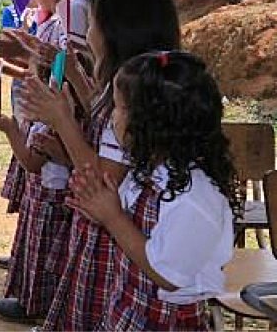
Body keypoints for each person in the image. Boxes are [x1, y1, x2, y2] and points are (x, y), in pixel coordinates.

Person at [17, 0, 183, 331]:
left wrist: (61, 120)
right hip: (125, 239)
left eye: (92, 23)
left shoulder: (134, 92)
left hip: (120, 244)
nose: (88, 33)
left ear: (114, 29)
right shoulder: (150, 77)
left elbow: (103, 177)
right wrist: (74, 74)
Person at [69, 51, 241, 330]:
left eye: (120, 107)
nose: (113, 116)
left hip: (165, 321)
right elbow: (132, 226)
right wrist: (99, 207)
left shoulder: (195, 196)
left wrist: (112, 218)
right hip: (131, 311)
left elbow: (167, 275)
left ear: (152, 121)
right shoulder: (151, 172)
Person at [0, 0, 75, 321]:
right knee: (36, 218)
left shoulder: (60, 30)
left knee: (45, 222)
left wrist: (15, 62)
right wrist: (6, 64)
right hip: (42, 124)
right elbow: (44, 68)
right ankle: (34, 297)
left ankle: (40, 304)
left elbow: (54, 71)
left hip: (47, 128)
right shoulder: (53, 26)